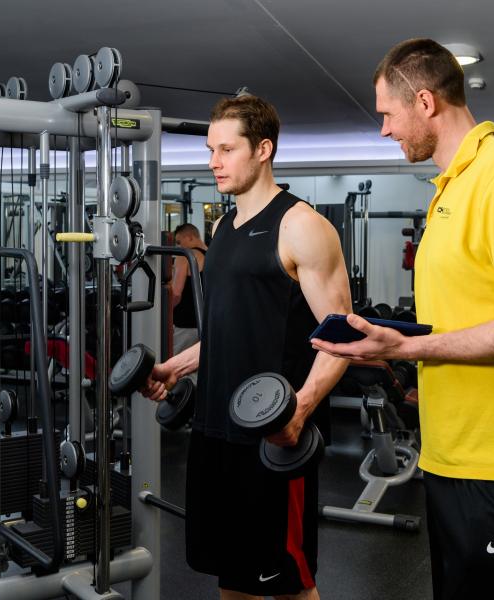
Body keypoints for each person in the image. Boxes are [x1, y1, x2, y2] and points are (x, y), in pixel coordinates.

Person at [311, 38, 494, 600]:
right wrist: (403, 347)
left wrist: (405, 349)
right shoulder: (452, 186)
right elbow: (466, 314)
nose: (384, 130)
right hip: (453, 448)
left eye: (387, 114)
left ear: (424, 102)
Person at [142, 95, 351, 600]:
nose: (213, 161)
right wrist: (179, 367)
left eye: (226, 149)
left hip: (272, 434)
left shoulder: (301, 226)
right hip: (216, 430)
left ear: (263, 149)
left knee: (288, 582)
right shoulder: (222, 228)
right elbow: (229, 329)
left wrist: (298, 411)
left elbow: (343, 341)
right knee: (232, 579)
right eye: (211, 150)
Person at [171, 222, 207, 358]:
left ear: (190, 237)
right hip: (207, 323)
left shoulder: (185, 256)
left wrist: (165, 315)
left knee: (179, 371)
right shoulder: (213, 255)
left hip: (185, 323)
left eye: (179, 242)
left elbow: (176, 293)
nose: (178, 246)